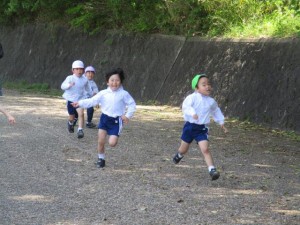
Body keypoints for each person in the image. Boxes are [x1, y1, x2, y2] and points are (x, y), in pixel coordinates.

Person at [72, 68, 136, 168]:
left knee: (112, 143)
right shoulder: (103, 93)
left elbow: (132, 104)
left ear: (121, 82)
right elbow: (92, 101)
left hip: (116, 121)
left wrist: (127, 115)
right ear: (107, 82)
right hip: (104, 119)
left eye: (117, 80)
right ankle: (101, 159)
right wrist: (79, 103)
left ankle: (112, 140)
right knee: (101, 140)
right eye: (112, 80)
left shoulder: (124, 94)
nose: (114, 83)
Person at [172, 74, 228, 181]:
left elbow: (216, 111)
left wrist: (221, 122)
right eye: (204, 84)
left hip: (202, 128)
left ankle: (212, 170)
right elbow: (186, 106)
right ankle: (179, 154)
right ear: (197, 88)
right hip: (189, 127)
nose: (207, 86)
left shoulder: (211, 101)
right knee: (183, 149)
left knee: (205, 149)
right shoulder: (191, 98)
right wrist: (192, 113)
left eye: (209, 84)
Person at [61, 60, 92, 139]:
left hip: (80, 100)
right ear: (73, 70)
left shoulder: (85, 79)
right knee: (72, 116)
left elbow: (88, 89)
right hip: (71, 100)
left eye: (81, 69)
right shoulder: (70, 78)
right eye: (77, 69)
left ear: (83, 70)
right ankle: (70, 123)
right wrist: (69, 85)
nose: (79, 71)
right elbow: (62, 86)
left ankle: (80, 130)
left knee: (81, 114)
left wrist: (92, 96)